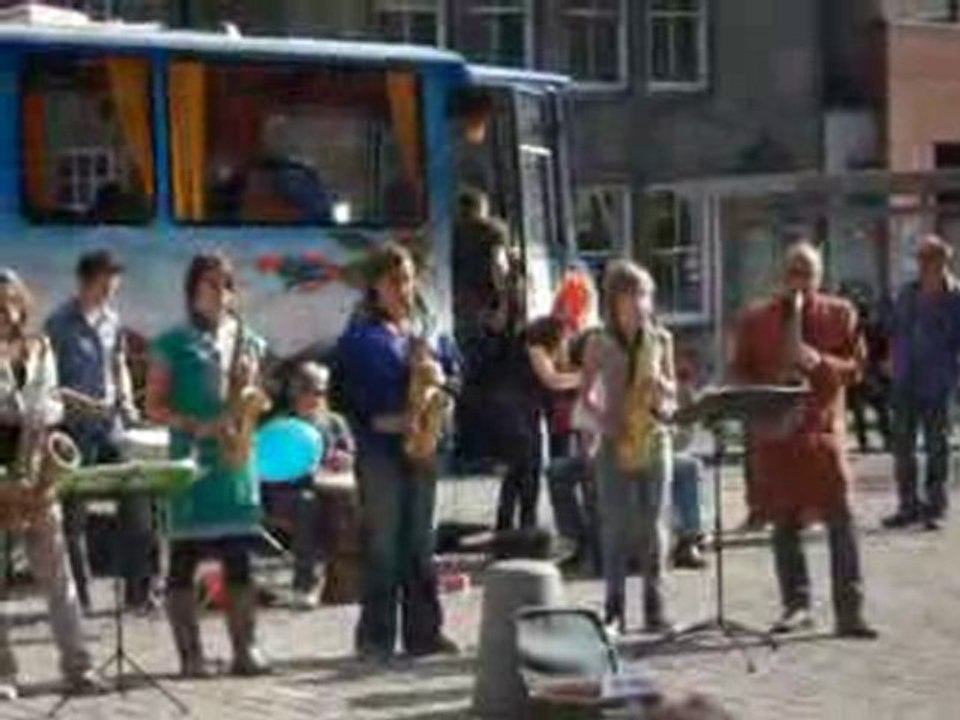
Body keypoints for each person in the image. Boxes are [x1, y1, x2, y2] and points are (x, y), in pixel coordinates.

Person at [730, 242, 876, 638]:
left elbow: (858, 369)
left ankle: (850, 611)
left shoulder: (840, 313)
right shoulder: (756, 318)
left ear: (820, 276)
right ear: (782, 275)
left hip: (821, 436)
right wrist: (767, 387)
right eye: (793, 272)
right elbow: (739, 371)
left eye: (807, 273)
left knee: (842, 522)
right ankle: (796, 606)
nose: (800, 281)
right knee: (784, 526)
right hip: (777, 439)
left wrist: (820, 362)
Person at [145, 253, 271, 677]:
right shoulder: (173, 342)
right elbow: (154, 406)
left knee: (239, 555)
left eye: (226, 285)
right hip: (193, 459)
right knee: (184, 554)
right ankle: (191, 657)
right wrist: (193, 423)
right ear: (193, 291)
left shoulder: (249, 339)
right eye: (211, 285)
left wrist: (253, 405)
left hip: (236, 457)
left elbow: (257, 396)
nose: (220, 293)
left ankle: (245, 650)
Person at [336, 242, 458, 662]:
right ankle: (375, 638)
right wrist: (384, 420)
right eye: (396, 280)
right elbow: (345, 395)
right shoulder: (360, 338)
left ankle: (425, 634)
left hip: (425, 445)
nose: (406, 288)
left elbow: (456, 376)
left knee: (421, 542)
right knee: (384, 544)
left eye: (409, 278)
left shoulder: (429, 328)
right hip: (381, 449)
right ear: (376, 287)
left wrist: (441, 382)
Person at [0, 269, 103, 699]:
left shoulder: (40, 347)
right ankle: (3, 674)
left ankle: (79, 667)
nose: (6, 312)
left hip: (37, 468)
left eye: (12, 302)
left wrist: (53, 410)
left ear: (23, 303)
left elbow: (54, 400)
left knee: (60, 580)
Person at [45, 250, 156, 612]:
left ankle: (140, 590)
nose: (109, 290)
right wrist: (82, 404)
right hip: (73, 428)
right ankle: (81, 597)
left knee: (138, 500)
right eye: (102, 283)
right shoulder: (58, 325)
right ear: (84, 282)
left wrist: (127, 404)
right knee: (74, 516)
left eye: (113, 284)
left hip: (111, 426)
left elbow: (117, 363)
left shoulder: (113, 321)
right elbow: (49, 384)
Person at [579, 260, 675, 635]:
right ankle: (613, 609)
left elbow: (673, 398)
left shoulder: (661, 339)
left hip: (653, 437)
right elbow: (585, 396)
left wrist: (665, 394)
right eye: (631, 295)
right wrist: (605, 421)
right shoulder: (598, 342)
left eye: (645, 295)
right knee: (616, 527)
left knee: (654, 526)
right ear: (613, 301)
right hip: (615, 439)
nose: (640, 303)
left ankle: (655, 607)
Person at [883, 235, 960, 531]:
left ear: (944, 259)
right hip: (905, 379)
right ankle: (908, 505)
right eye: (921, 258)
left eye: (931, 257)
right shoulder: (908, 293)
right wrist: (890, 358)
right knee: (902, 446)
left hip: (938, 382)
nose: (925, 263)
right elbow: (893, 329)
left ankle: (936, 507)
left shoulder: (955, 297)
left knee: (937, 446)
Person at [490, 315, 581, 531]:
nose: (565, 341)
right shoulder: (536, 350)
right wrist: (584, 377)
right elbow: (552, 380)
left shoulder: (531, 350)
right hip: (520, 422)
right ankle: (523, 527)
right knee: (526, 476)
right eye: (564, 337)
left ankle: (512, 527)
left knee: (515, 478)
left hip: (520, 420)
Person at [285, 361, 354, 610]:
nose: (314, 397)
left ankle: (348, 582)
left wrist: (344, 459)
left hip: (332, 488)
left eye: (320, 391)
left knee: (349, 505)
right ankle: (305, 585)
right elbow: (271, 469)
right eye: (307, 390)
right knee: (308, 505)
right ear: (294, 392)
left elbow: (351, 457)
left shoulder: (335, 423)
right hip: (290, 492)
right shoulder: (284, 426)